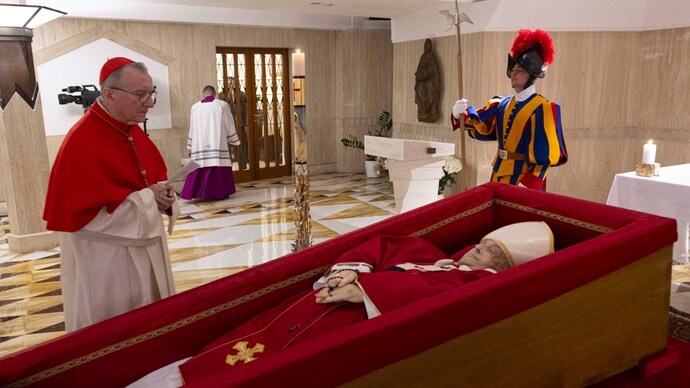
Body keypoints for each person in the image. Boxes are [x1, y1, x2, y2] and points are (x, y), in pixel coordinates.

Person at [129, 221, 553, 387]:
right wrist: (350, 272)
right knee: (250, 334)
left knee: (273, 364)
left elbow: (443, 301)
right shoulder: (436, 256)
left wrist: (371, 293)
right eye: (479, 244)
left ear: (505, 267)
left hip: (352, 324)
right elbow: (384, 245)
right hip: (319, 302)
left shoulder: (479, 285)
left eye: (488, 252)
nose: (474, 251)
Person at [43, 57, 178, 332]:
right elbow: (85, 219)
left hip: (144, 246)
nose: (149, 102)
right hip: (107, 257)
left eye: (151, 93)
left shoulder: (130, 130)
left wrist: (164, 197)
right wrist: (147, 199)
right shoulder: (81, 140)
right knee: (117, 328)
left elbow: (152, 180)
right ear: (109, 95)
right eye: (141, 95)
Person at [451, 29, 568, 191]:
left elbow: (544, 158)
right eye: (513, 69)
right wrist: (459, 115)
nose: (514, 73)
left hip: (523, 181)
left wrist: (528, 185)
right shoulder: (501, 104)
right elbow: (483, 128)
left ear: (532, 75)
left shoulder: (544, 108)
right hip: (498, 174)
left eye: (519, 70)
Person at [180, 85, 241, 200]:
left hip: (200, 143)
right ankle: (219, 192)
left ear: (204, 94)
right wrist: (232, 138)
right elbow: (229, 122)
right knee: (217, 162)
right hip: (217, 140)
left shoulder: (195, 107)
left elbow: (192, 126)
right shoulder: (221, 105)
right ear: (214, 94)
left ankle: (198, 193)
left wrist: (191, 143)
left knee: (200, 164)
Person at [414, 38, 441, 123]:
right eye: (426, 45)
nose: (427, 47)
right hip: (423, 80)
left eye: (429, 46)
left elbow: (434, 69)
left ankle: (426, 109)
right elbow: (420, 68)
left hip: (431, 81)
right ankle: (423, 110)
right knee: (419, 88)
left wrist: (427, 72)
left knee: (425, 88)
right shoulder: (423, 56)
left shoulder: (432, 57)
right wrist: (419, 74)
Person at [228, 77, 248, 168]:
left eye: (233, 83)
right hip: (228, 126)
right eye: (229, 83)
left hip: (240, 124)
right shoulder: (221, 96)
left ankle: (242, 164)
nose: (231, 85)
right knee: (228, 145)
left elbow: (246, 111)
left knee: (242, 144)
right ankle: (229, 165)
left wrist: (246, 124)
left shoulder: (242, 95)